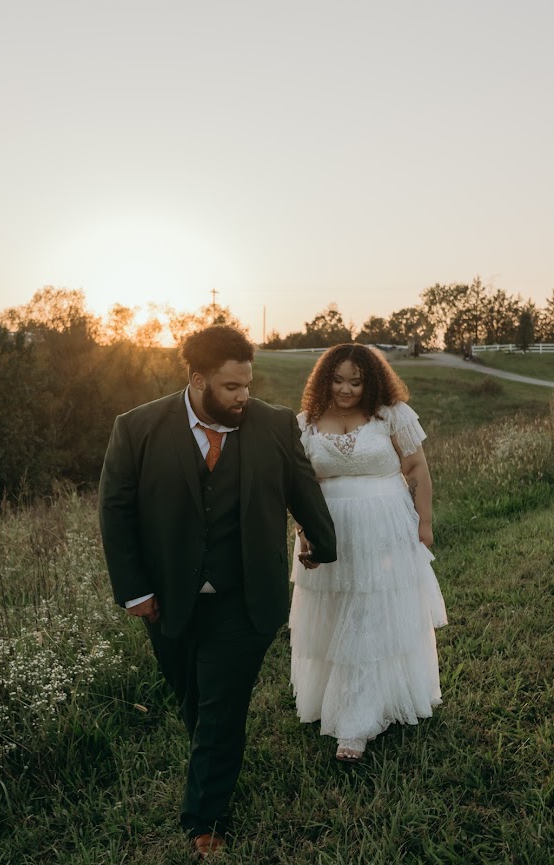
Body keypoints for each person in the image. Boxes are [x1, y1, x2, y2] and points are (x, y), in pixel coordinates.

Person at [98, 325, 336, 859]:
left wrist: (322, 541)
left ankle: (205, 820)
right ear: (197, 378)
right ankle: (216, 762)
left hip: (246, 595)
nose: (242, 397)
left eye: (247, 385)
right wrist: (134, 590)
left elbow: (302, 485)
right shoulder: (136, 429)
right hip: (167, 598)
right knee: (196, 705)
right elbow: (115, 513)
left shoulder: (273, 425)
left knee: (222, 707)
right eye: (230, 387)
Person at [289, 343, 447, 762]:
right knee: (336, 616)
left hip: (385, 528)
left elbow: (416, 469)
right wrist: (305, 532)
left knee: (371, 615)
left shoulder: (391, 414)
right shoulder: (306, 424)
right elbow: (299, 487)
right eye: (338, 380)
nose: (346, 389)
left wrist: (424, 523)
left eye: (356, 381)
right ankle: (335, 702)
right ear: (325, 379)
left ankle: (356, 725)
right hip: (328, 530)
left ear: (371, 380)